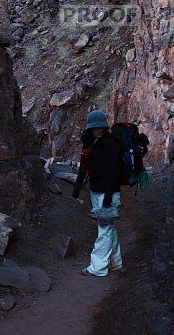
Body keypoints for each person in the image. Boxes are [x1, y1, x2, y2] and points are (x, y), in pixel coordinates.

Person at [73, 110, 123, 276]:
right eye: (96, 127)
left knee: (104, 229)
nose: (99, 130)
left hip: (108, 193)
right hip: (97, 192)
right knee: (108, 227)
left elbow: (113, 172)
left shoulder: (110, 144)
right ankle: (115, 262)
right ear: (90, 129)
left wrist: (108, 197)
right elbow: (84, 167)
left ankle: (97, 268)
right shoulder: (90, 144)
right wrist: (77, 188)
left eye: (101, 127)